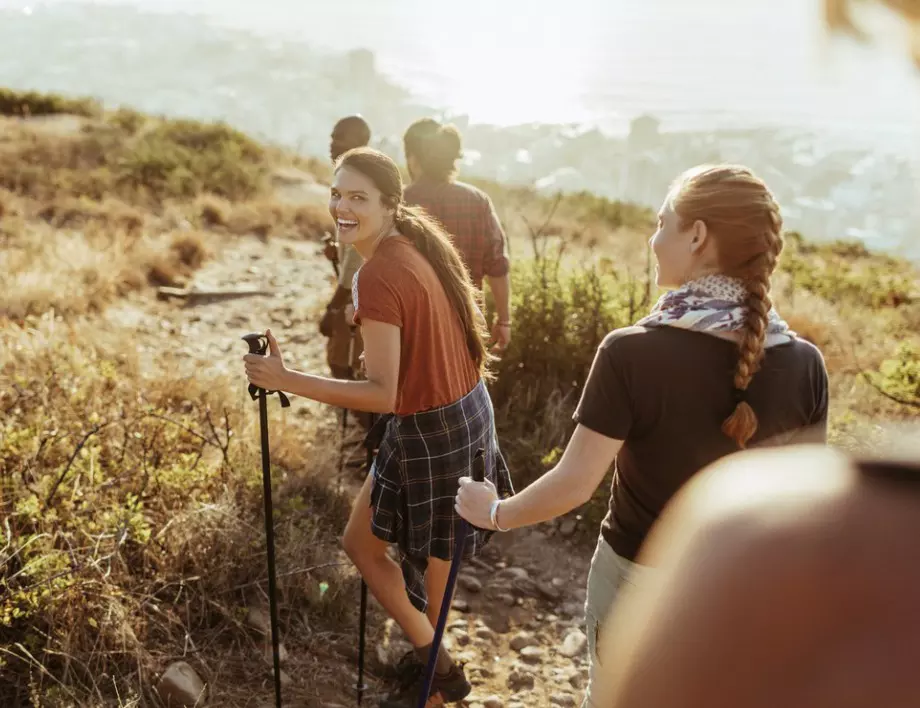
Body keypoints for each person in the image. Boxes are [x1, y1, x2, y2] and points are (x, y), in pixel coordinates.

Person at [454, 164, 830, 707]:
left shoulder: (631, 352)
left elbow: (575, 485)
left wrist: (492, 512)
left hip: (639, 584)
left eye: (662, 223)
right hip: (751, 592)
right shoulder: (806, 363)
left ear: (697, 235)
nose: (653, 240)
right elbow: (809, 515)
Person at [244, 147, 514, 707]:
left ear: (391, 204)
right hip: (463, 412)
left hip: (433, 428)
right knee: (367, 545)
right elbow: (413, 329)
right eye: (336, 193)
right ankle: (436, 666)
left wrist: (285, 377)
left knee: (418, 571)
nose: (341, 206)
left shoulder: (377, 272)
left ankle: (438, 678)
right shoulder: (411, 246)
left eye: (357, 197)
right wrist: (368, 322)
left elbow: (381, 394)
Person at [590, 443, 920, 708]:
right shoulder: (806, 364)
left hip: (655, 560)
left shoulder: (746, 520)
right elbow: (805, 462)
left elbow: (576, 482)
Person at [403, 119, 513, 351]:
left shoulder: (398, 203)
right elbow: (497, 265)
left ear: (413, 159)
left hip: (408, 326)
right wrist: (503, 320)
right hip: (466, 327)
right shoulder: (477, 201)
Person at [322, 115, 372, 382]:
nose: (332, 144)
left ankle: (361, 421)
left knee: (346, 363)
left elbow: (356, 260)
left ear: (358, 143)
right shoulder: (350, 177)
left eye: (339, 138)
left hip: (358, 294)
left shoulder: (359, 180)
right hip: (354, 289)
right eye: (332, 137)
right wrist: (337, 249)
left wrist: (332, 309)